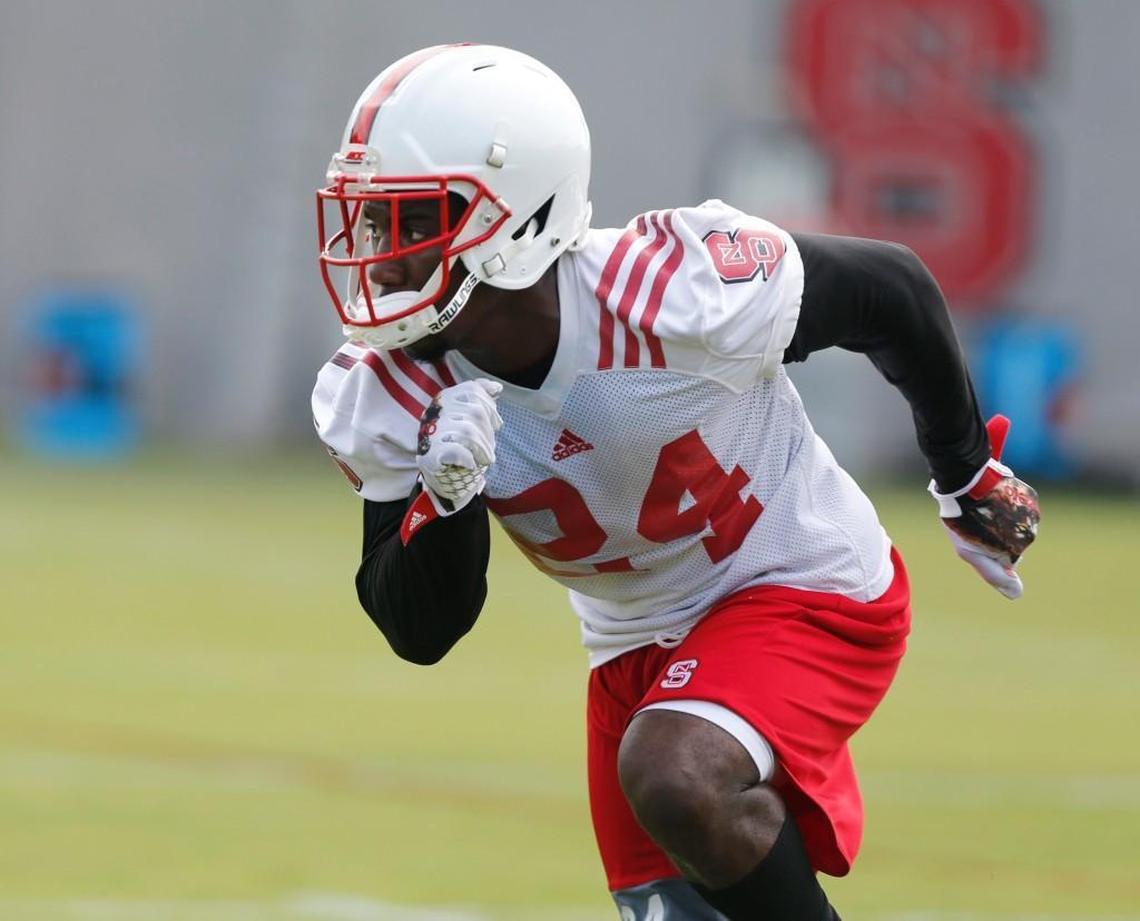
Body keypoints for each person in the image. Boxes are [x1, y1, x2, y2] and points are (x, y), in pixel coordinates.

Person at [311, 44, 1039, 921]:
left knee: (678, 774)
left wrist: (964, 472)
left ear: (513, 220)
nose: (382, 260)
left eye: (410, 221)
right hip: (634, 648)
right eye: (373, 224)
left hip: (800, 583)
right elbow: (418, 630)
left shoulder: (669, 292)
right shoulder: (386, 386)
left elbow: (892, 292)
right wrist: (448, 494)